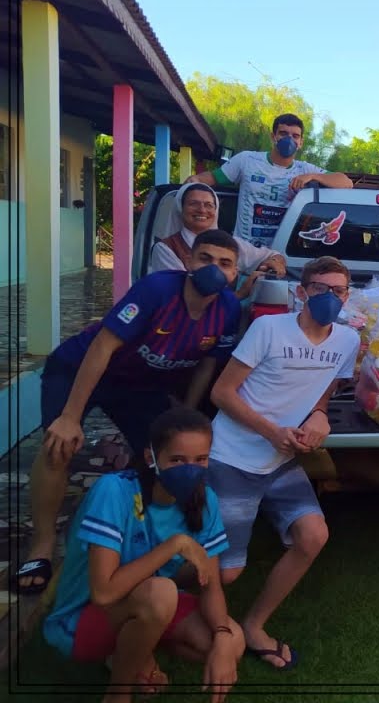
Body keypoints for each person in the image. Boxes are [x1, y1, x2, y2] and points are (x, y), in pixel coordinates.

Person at [14, 231, 242, 595]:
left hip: (140, 383)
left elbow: (206, 365)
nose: (214, 268)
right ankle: (41, 546)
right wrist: (70, 417)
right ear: (188, 261)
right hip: (80, 367)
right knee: (59, 446)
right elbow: (103, 347)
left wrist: (186, 411)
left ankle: (135, 533)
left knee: (161, 453)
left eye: (225, 263)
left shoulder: (229, 309)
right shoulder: (157, 290)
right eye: (205, 258)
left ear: (235, 274)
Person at [207, 256, 359, 670]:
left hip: (280, 460)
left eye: (339, 290)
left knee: (313, 536)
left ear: (348, 296)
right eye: (321, 288)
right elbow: (221, 393)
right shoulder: (268, 329)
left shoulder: (348, 340)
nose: (330, 297)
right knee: (226, 573)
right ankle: (159, 592)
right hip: (233, 456)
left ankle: (254, 626)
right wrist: (271, 431)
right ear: (302, 291)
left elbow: (322, 394)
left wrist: (320, 416)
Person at [42, 407, 245, 703]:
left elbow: (211, 584)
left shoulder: (206, 500)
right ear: (152, 458)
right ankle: (119, 693)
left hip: (146, 603)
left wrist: (223, 635)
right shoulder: (115, 491)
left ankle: (135, 646)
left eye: (200, 459)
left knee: (233, 642)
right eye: (177, 460)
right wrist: (175, 545)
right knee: (161, 593)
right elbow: (103, 593)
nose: (190, 469)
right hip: (83, 618)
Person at [186, 113, 353, 248]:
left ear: (301, 142)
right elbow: (212, 178)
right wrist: (194, 181)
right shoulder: (247, 160)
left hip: (282, 254)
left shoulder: (304, 169)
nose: (289, 139)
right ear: (273, 137)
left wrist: (313, 176)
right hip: (244, 252)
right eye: (283, 133)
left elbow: (346, 182)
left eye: (295, 136)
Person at [149, 181, 285, 300]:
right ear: (180, 208)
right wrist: (241, 294)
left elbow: (273, 255)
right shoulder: (166, 248)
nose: (202, 210)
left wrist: (273, 264)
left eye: (209, 205)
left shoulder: (230, 244)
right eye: (193, 204)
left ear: (216, 210)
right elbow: (182, 299)